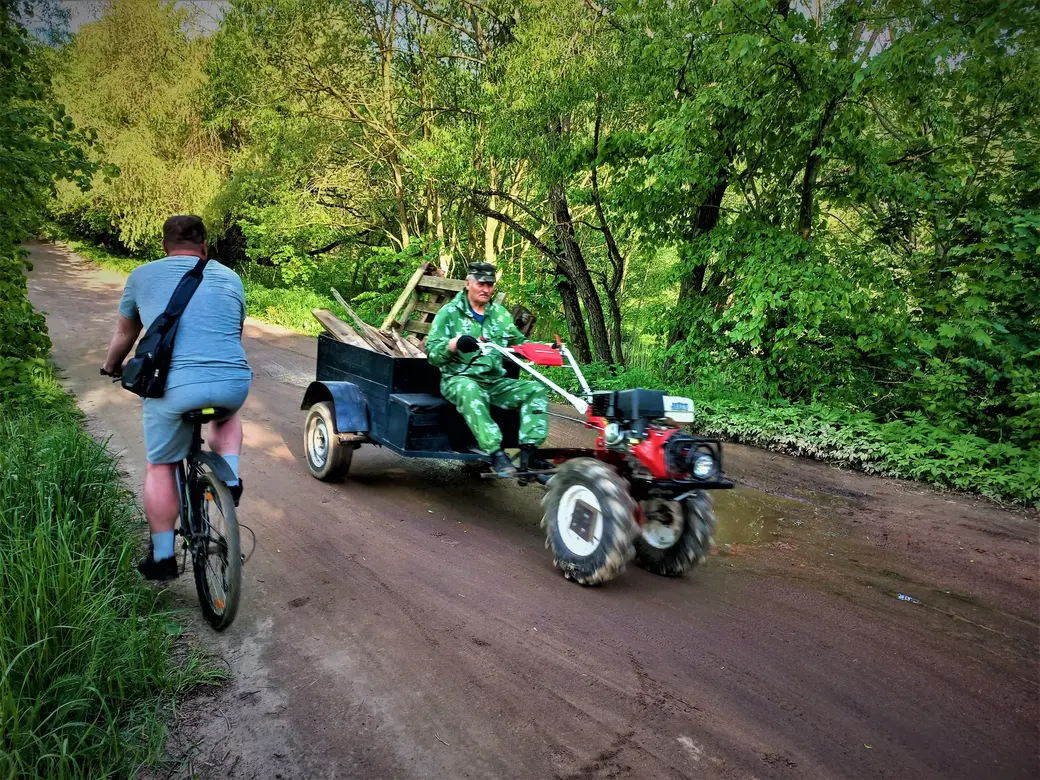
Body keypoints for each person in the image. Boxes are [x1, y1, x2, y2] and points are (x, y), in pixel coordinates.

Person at [102, 215, 252, 581]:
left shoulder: (142, 275)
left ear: (165, 247)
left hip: (173, 387)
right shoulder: (230, 277)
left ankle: (164, 557)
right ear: (205, 246)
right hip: (233, 381)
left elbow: (126, 333)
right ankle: (229, 477)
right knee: (227, 415)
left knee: (161, 465)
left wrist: (111, 366)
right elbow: (233, 330)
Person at [426, 261, 549, 475]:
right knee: (470, 389)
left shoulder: (499, 314)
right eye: (481, 284)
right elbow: (433, 355)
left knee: (535, 391)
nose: (486, 289)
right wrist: (454, 344)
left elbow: (518, 342)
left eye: (490, 285)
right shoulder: (449, 313)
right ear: (468, 283)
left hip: (494, 381)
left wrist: (546, 350)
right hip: (459, 379)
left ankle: (529, 453)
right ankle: (495, 452)